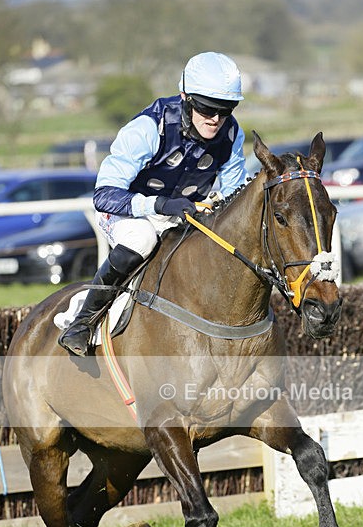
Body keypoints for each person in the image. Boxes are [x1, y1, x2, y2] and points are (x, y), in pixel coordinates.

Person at [58, 51, 248, 356]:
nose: (216, 119)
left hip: (182, 214)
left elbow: (236, 193)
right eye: (207, 108)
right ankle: (83, 321)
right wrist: (159, 205)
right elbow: (104, 195)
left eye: (226, 109)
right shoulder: (148, 127)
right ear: (185, 96)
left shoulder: (231, 132)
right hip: (126, 212)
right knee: (142, 238)